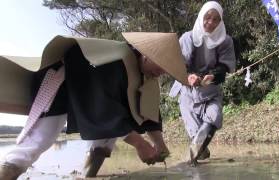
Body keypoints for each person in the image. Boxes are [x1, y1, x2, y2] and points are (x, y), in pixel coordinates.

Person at [0, 32, 188, 179]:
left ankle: (88, 174)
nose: (162, 72)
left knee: (107, 139)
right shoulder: (115, 60)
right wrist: (139, 144)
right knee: (40, 140)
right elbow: (106, 110)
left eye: (167, 70)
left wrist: (160, 145)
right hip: (61, 80)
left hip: (92, 95)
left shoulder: (147, 76)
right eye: (161, 65)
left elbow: (150, 112)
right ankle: (7, 171)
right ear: (147, 54)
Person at [170, 1, 236, 165]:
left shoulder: (226, 41)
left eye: (215, 19)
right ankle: (200, 153)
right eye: (207, 18)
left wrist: (212, 76)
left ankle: (191, 160)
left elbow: (224, 67)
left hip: (211, 91)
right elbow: (179, 66)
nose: (210, 23)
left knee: (214, 117)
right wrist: (190, 77)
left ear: (220, 22)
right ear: (201, 17)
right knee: (195, 133)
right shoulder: (187, 38)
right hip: (188, 92)